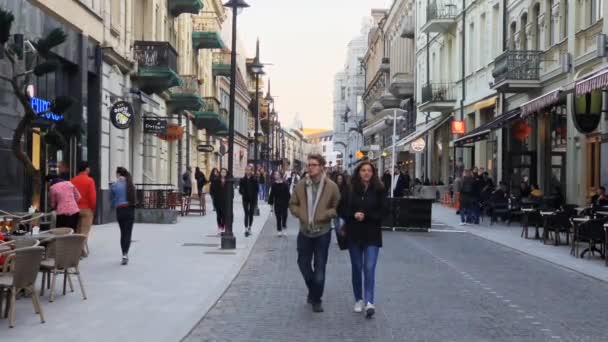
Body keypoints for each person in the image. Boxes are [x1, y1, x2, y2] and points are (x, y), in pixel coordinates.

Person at [289, 154, 340, 313]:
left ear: (321, 167)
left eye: (314, 165)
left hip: (323, 232)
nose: (310, 167)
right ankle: (313, 290)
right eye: (309, 165)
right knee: (302, 264)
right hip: (304, 231)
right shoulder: (301, 185)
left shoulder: (331, 186)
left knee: (320, 268)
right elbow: (292, 204)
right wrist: (301, 214)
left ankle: (316, 299)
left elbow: (337, 206)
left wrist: (325, 215)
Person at [340, 161, 386, 318]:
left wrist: (367, 216)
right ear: (358, 172)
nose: (366, 173)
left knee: (369, 267)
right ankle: (358, 299)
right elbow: (342, 208)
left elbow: (384, 211)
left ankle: (369, 302)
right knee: (357, 267)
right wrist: (353, 215)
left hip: (372, 234)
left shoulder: (379, 189)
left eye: (369, 170)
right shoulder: (350, 189)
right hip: (354, 233)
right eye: (363, 170)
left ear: (373, 173)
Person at [110, 167, 136, 265]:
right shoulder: (131, 184)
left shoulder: (114, 186)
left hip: (120, 210)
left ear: (118, 174)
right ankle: (125, 254)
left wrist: (114, 204)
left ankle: (123, 253)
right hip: (130, 210)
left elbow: (112, 200)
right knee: (128, 233)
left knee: (122, 232)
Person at [71, 161, 97, 257]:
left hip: (75, 208)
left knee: (77, 230)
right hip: (87, 209)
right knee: (84, 231)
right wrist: (93, 209)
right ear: (86, 169)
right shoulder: (90, 180)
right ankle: (80, 250)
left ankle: (78, 250)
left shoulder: (72, 180)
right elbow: (92, 197)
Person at [268, 171, 290, 236]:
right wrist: (271, 206)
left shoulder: (285, 184)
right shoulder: (273, 185)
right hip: (277, 203)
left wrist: (290, 203)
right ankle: (279, 230)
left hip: (284, 203)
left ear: (280, 175)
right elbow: (271, 195)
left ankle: (284, 226)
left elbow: (288, 194)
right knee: (278, 217)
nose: (276, 175)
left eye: (277, 174)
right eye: (275, 174)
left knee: (284, 216)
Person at [239, 164, 259, 237]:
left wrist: (255, 197)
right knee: (246, 213)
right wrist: (243, 192)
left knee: (251, 213)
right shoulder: (242, 180)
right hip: (245, 199)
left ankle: (250, 227)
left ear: (251, 171)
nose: (248, 171)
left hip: (252, 199)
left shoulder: (254, 179)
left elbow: (257, 189)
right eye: (246, 170)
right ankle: (246, 228)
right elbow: (240, 190)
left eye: (249, 170)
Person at [212, 168, 231, 234]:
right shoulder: (216, 180)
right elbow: (213, 190)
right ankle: (219, 227)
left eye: (224, 172)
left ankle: (223, 227)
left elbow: (231, 191)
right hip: (218, 200)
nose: (223, 173)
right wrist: (214, 197)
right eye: (222, 172)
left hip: (225, 201)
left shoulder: (228, 181)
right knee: (219, 214)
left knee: (224, 215)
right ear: (220, 173)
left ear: (226, 173)